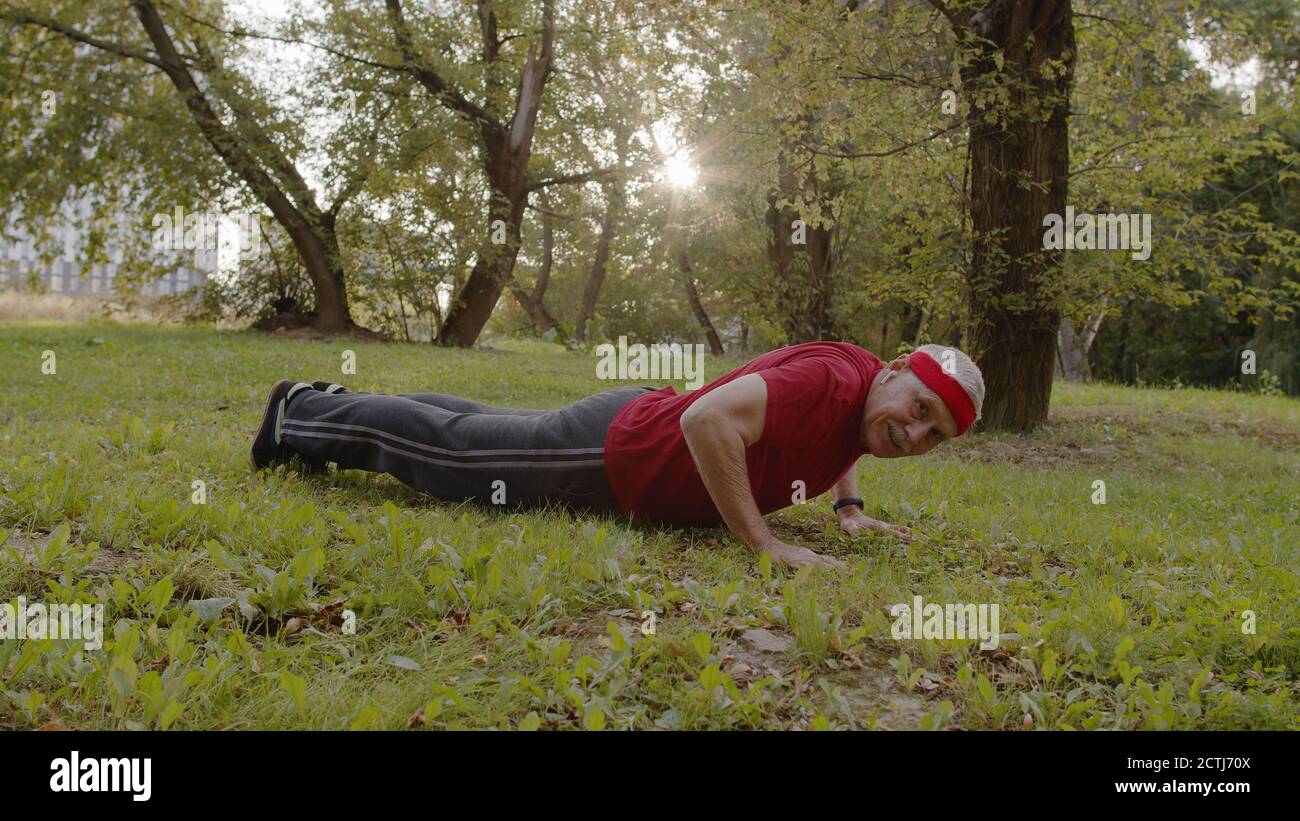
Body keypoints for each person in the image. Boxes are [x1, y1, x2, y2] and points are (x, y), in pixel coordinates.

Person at [251, 341, 984, 568]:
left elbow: (846, 436)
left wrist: (849, 507)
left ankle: (331, 401)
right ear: (895, 370)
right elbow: (707, 421)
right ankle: (298, 414)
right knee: (452, 454)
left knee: (475, 429)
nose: (914, 434)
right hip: (617, 455)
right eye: (920, 409)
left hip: (625, 424)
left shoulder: (863, 395)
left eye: (934, 436)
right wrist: (764, 543)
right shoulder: (832, 382)